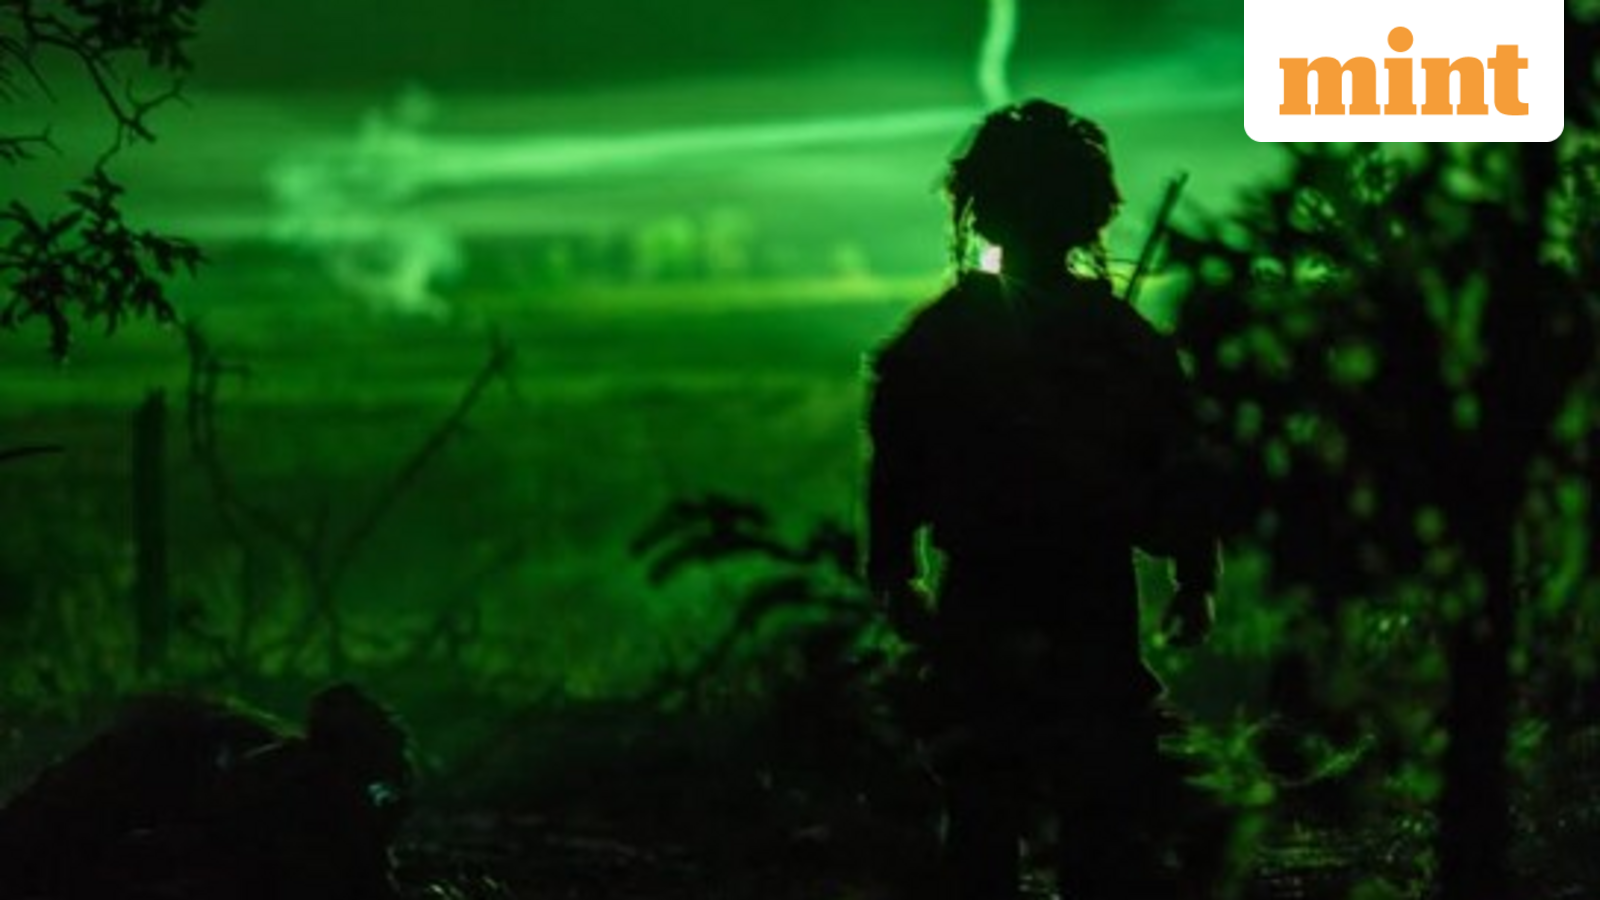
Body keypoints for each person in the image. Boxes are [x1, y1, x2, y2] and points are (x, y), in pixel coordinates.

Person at [864, 99, 1222, 900]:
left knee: (988, 802)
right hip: (1082, 586)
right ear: (1093, 212)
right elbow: (1180, 461)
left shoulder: (944, 334)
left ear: (978, 209)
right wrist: (1194, 573)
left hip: (994, 585)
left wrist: (895, 570)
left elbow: (897, 463)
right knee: (1088, 804)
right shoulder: (1120, 337)